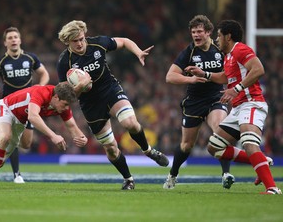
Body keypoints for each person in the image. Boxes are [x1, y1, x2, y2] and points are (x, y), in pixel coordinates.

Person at [57, 20, 169, 190]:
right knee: (110, 148)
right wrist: (80, 86)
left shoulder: (98, 43)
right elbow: (67, 97)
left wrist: (138, 52)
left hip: (110, 90)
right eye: (75, 41)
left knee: (130, 123)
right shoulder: (64, 62)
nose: (80, 43)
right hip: (90, 104)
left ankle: (148, 151)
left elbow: (124, 41)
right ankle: (128, 179)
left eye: (81, 38)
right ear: (67, 42)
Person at [186, 19, 281, 194]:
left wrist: (236, 89)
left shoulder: (240, 49)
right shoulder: (229, 56)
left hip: (251, 103)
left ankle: (272, 188)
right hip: (238, 108)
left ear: (228, 37)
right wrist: (205, 74)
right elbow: (225, 77)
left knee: (249, 143)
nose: (216, 39)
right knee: (214, 147)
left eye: (219, 35)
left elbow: (258, 69)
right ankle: (260, 162)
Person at [0, 83, 88, 189]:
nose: (66, 108)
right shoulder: (42, 92)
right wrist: (53, 136)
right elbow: (33, 116)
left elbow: (71, 126)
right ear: (56, 97)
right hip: (5, 108)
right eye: (64, 104)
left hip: (20, 121)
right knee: (5, 136)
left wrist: (82, 137)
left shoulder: (62, 104)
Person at [163, 15, 233, 189]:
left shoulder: (220, 49)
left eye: (199, 31)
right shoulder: (189, 52)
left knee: (220, 130)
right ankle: (173, 175)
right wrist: (191, 80)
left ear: (208, 32)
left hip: (216, 97)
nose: (196, 35)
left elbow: (231, 71)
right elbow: (170, 76)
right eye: (193, 32)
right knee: (187, 146)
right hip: (194, 101)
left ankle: (225, 174)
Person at [0, 26, 50, 184]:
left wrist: (40, 88)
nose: (13, 40)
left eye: (16, 37)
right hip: (9, 107)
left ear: (20, 40)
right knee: (10, 138)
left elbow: (44, 74)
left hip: (29, 106)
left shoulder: (30, 58)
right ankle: (16, 174)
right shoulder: (0, 63)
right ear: (5, 43)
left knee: (26, 144)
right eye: (10, 38)